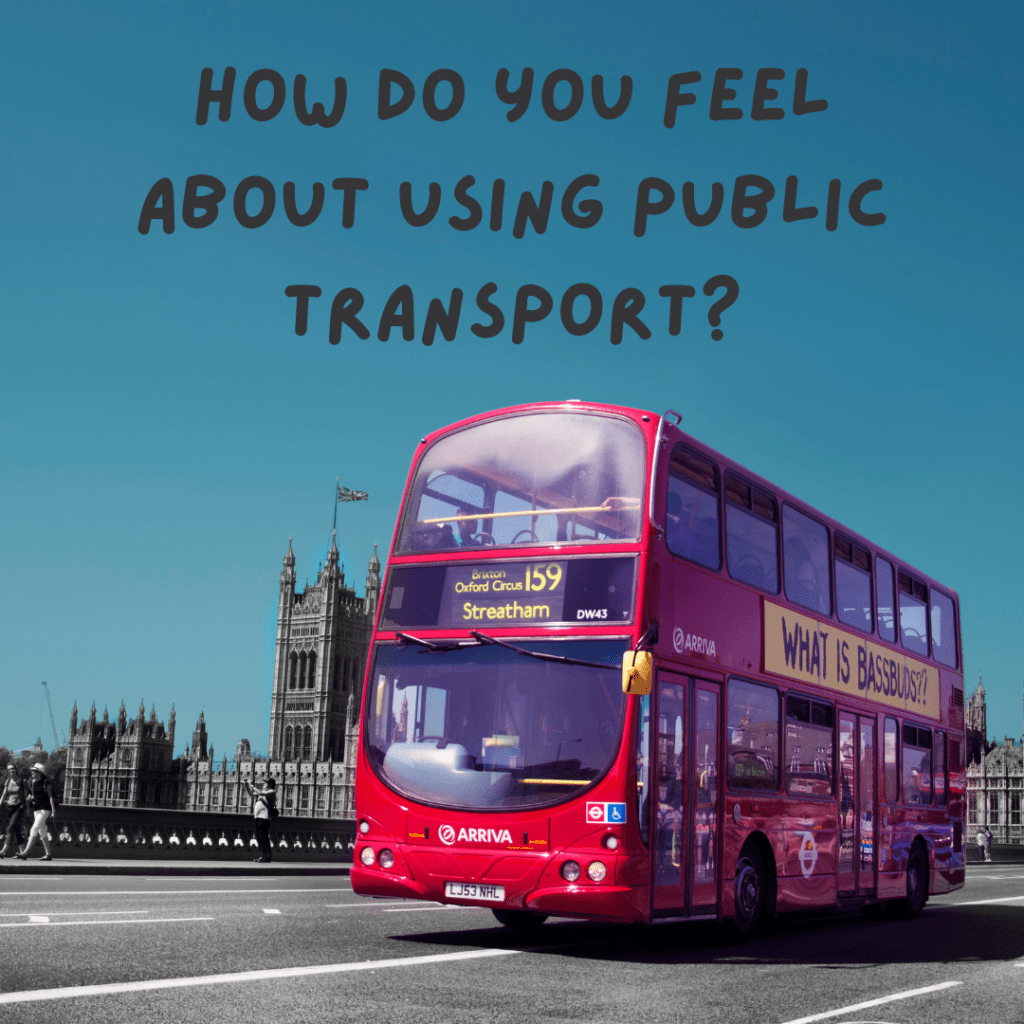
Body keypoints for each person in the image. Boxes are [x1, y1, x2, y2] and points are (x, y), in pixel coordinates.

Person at [15, 763, 57, 861]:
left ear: (39, 772)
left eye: (34, 771)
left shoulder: (46, 782)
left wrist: (53, 811)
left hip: (45, 809)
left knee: (34, 829)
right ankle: (48, 854)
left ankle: (25, 853)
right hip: (37, 809)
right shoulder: (33, 782)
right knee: (42, 832)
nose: (32, 772)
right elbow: (34, 796)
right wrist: (29, 800)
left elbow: (51, 797)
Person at [245, 775, 277, 862]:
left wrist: (252, 786)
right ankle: (263, 855)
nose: (264, 784)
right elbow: (251, 794)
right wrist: (247, 786)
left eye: (266, 782)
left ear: (270, 784)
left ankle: (267, 856)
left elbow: (259, 793)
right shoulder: (264, 792)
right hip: (258, 817)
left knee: (264, 837)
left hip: (265, 817)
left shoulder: (271, 792)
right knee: (259, 837)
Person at [0, 763, 27, 857]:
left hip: (19, 807)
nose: (11, 770)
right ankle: (23, 853)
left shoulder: (22, 781)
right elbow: (4, 794)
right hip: (10, 807)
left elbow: (27, 796)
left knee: (10, 827)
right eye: (9, 769)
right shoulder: (8, 781)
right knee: (17, 829)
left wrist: (28, 808)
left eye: (12, 769)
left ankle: (3, 852)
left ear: (16, 770)